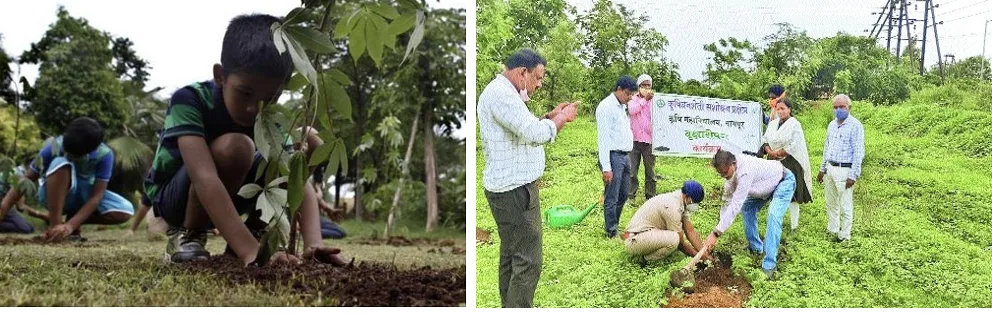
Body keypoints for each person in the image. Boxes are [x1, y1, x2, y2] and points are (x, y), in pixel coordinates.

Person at [142, 14, 344, 266]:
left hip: (232, 197)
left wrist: (314, 243)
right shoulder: (189, 99)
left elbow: (292, 176)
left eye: (270, 98)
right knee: (237, 147)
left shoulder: (269, 117)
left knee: (309, 142)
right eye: (244, 93)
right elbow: (204, 177)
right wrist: (250, 252)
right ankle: (189, 235)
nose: (254, 108)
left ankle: (252, 232)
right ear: (220, 76)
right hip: (176, 200)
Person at [478, 48, 578, 308]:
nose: (539, 84)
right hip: (515, 192)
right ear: (523, 72)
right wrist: (562, 118)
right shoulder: (501, 95)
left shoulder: (504, 93)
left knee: (512, 255)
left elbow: (522, 128)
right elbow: (535, 134)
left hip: (507, 189)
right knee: (528, 260)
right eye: (538, 78)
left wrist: (549, 117)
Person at [0, 118, 135, 241]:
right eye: (68, 152)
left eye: (75, 155)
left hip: (82, 195)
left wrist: (71, 225)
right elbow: (25, 180)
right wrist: (3, 208)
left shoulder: (104, 155)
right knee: (61, 164)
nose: (70, 156)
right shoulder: (55, 146)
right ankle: (55, 226)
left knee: (125, 210)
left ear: (92, 150)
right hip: (51, 194)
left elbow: (96, 196)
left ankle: (70, 221)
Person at [701, 150, 795, 278]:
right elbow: (726, 205)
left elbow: (736, 204)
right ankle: (756, 247)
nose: (724, 176)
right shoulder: (729, 178)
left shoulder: (745, 172)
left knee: (773, 215)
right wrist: (717, 230)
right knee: (747, 208)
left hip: (782, 181)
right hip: (764, 187)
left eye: (725, 172)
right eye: (720, 174)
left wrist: (716, 234)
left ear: (733, 163)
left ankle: (769, 264)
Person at [622, 180, 712, 265]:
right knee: (674, 239)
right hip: (634, 240)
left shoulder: (681, 202)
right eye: (695, 202)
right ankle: (643, 260)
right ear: (687, 197)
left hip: (645, 235)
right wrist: (700, 257)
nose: (695, 205)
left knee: (676, 245)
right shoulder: (673, 206)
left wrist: (703, 252)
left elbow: (690, 231)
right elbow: (681, 244)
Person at [761, 98, 813, 233]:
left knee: (792, 194)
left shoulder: (795, 124)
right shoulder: (773, 124)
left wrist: (780, 152)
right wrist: (770, 151)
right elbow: (765, 140)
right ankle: (775, 220)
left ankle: (794, 225)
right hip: (773, 161)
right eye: (778, 109)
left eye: (783, 108)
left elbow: (794, 144)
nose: (780, 111)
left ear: (789, 109)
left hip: (790, 162)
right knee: (775, 191)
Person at [817, 94, 864, 243]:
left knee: (845, 205)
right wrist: (822, 169)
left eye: (842, 107)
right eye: (835, 107)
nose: (838, 110)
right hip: (830, 168)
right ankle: (833, 229)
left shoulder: (855, 126)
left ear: (849, 107)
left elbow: (858, 152)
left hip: (845, 170)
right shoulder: (831, 125)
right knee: (831, 203)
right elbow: (827, 148)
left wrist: (853, 175)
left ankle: (844, 236)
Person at [597, 75, 637, 239]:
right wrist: (606, 167)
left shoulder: (621, 107)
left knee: (624, 193)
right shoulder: (606, 107)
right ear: (619, 89)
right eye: (628, 94)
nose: (629, 97)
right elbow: (603, 139)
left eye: (632, 95)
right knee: (612, 196)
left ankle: (615, 225)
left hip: (625, 156)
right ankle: (611, 231)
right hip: (613, 157)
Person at [627, 74, 658, 201]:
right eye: (643, 85)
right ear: (638, 87)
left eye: (648, 85)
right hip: (634, 140)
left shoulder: (655, 101)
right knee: (631, 170)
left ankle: (650, 197)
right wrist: (644, 100)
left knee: (650, 172)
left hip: (649, 141)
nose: (646, 88)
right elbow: (632, 110)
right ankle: (630, 195)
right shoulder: (633, 99)